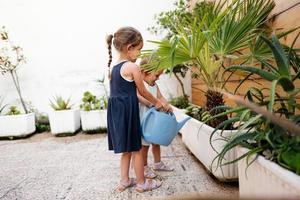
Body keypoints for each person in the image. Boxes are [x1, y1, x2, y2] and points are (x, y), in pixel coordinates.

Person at [106, 27, 165, 193]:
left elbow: (126, 93)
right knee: (137, 148)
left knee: (126, 149)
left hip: (116, 113)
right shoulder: (132, 67)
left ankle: (124, 181)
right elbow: (143, 91)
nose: (139, 54)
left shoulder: (113, 67)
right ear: (129, 48)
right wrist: (156, 103)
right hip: (127, 112)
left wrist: (148, 104)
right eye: (139, 49)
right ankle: (141, 183)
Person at [137, 58, 174, 179]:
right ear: (146, 72)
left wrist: (166, 104)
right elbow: (138, 96)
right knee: (144, 145)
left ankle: (158, 164)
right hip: (144, 120)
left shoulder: (154, 85)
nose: (157, 78)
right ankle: (144, 167)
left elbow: (160, 97)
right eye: (156, 75)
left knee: (156, 142)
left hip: (154, 120)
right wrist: (150, 103)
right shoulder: (140, 84)